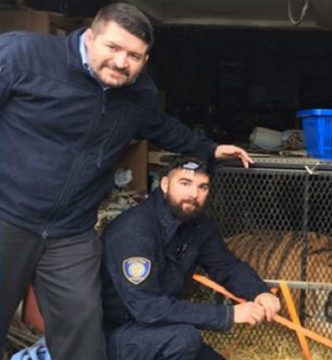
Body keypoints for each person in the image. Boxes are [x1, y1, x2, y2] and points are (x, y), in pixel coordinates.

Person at [0, 3, 253, 359]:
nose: (121, 62)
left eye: (134, 55)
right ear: (90, 37)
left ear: (145, 60)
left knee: (83, 335)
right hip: (8, 215)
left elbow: (162, 127)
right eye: (113, 48)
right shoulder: (23, 55)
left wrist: (210, 149)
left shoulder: (139, 93)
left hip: (70, 232)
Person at [100, 157, 280, 360]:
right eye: (185, 183)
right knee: (184, 340)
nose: (194, 194)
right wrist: (228, 315)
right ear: (165, 184)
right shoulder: (133, 231)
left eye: (202, 187)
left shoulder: (197, 225)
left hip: (161, 329)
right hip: (119, 334)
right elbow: (147, 308)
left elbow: (227, 266)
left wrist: (259, 292)